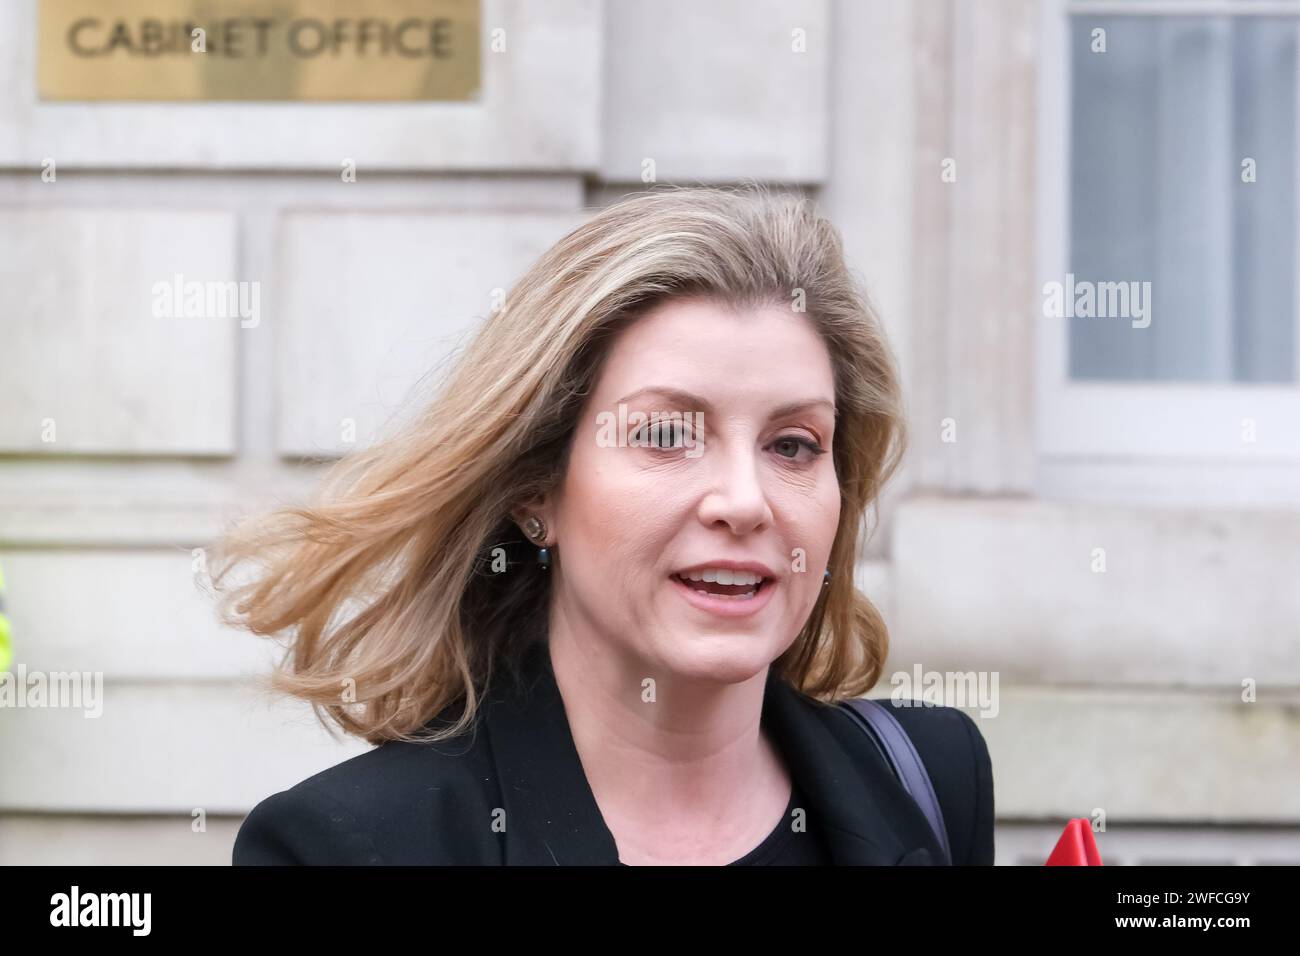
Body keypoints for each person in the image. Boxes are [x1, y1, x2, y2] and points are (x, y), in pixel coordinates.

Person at [218, 184, 994, 866]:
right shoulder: (350, 845)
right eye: (665, 436)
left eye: (793, 445)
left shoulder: (927, 776)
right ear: (537, 491)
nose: (746, 502)